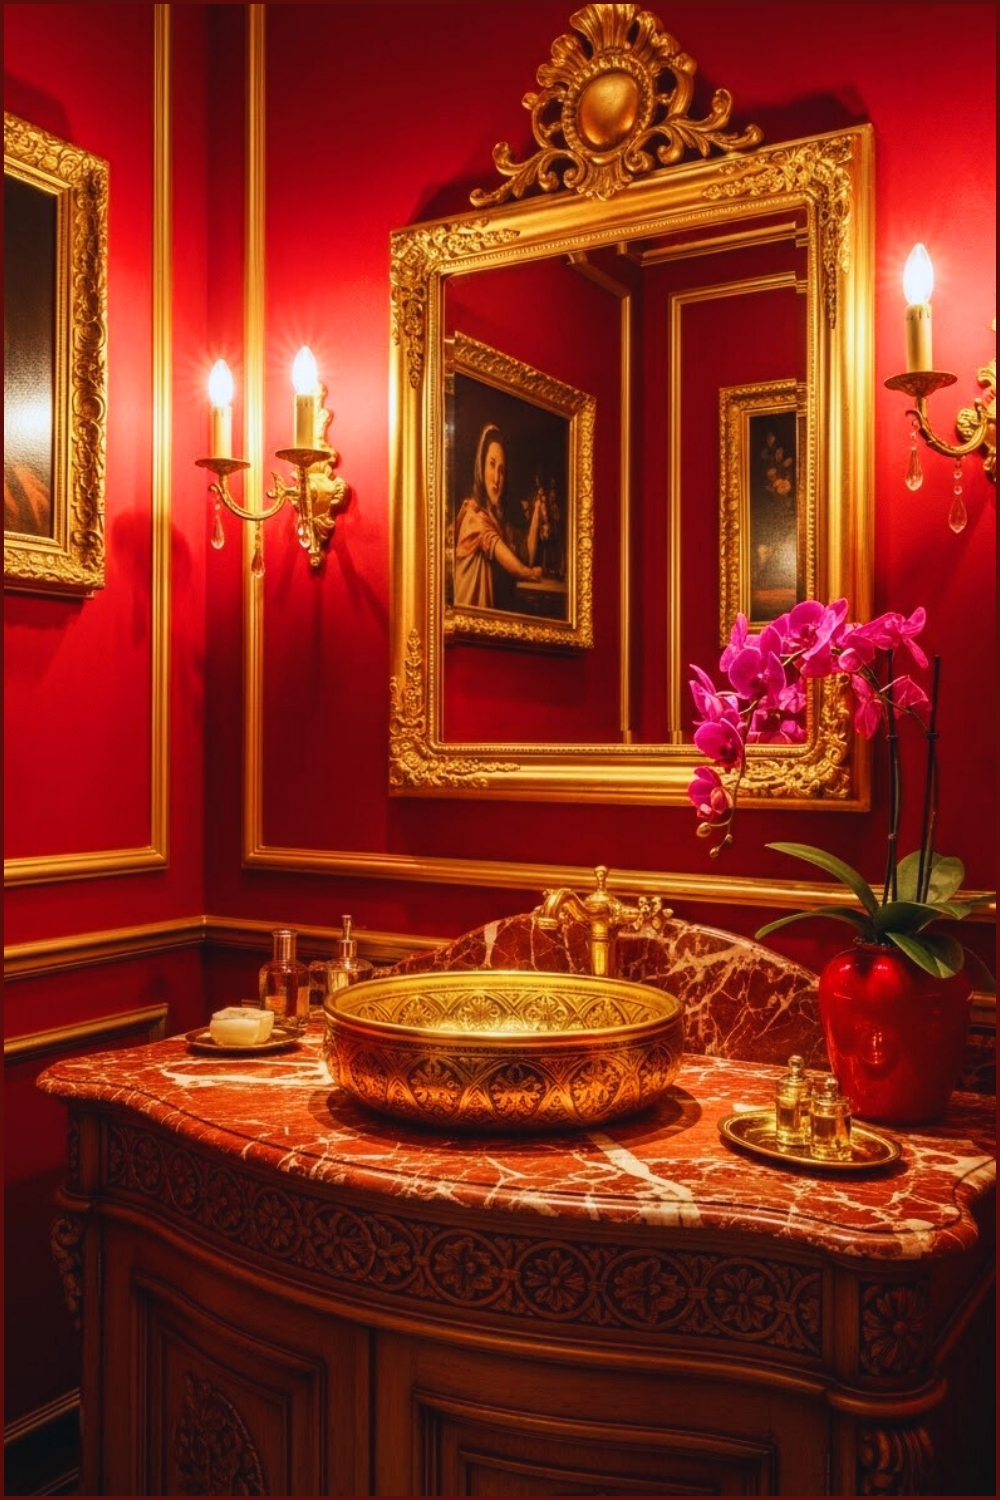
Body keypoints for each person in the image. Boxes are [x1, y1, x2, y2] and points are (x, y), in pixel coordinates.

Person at [452, 424, 542, 609]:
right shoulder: (474, 516)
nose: (496, 478)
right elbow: (517, 566)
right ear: (480, 467)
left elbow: (527, 556)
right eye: (492, 465)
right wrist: (530, 573)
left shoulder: (495, 518)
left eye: (501, 470)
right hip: (470, 622)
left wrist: (537, 513)